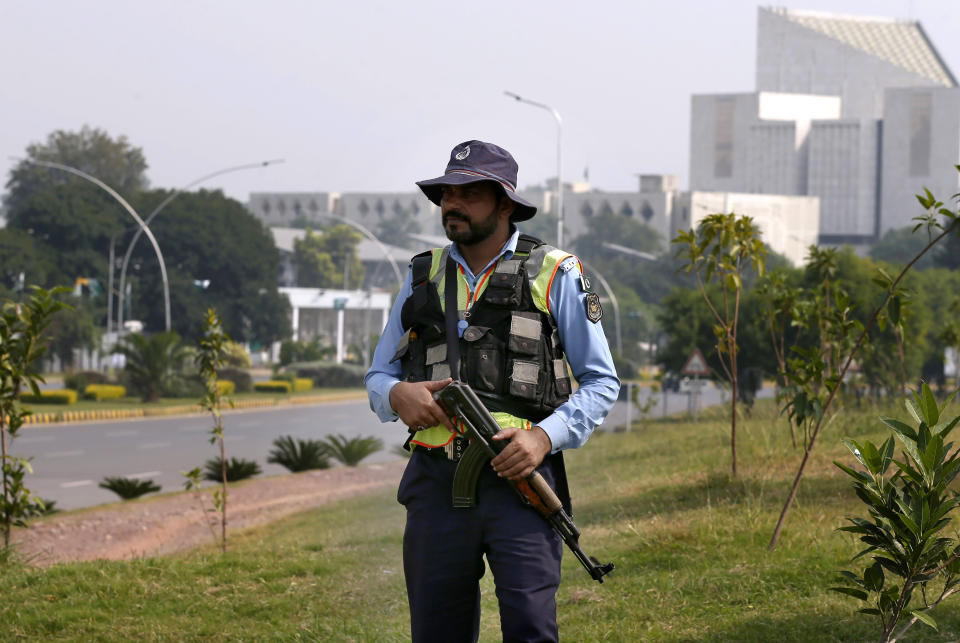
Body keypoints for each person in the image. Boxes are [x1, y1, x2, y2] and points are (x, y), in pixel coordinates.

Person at [364, 140, 619, 642]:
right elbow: (378, 376)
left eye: (469, 193)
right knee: (437, 631)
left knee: (530, 628)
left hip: (520, 484)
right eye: (446, 193)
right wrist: (398, 397)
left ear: (505, 203)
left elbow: (601, 382)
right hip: (436, 484)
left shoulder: (556, 273)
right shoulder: (422, 274)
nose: (452, 204)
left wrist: (543, 439)